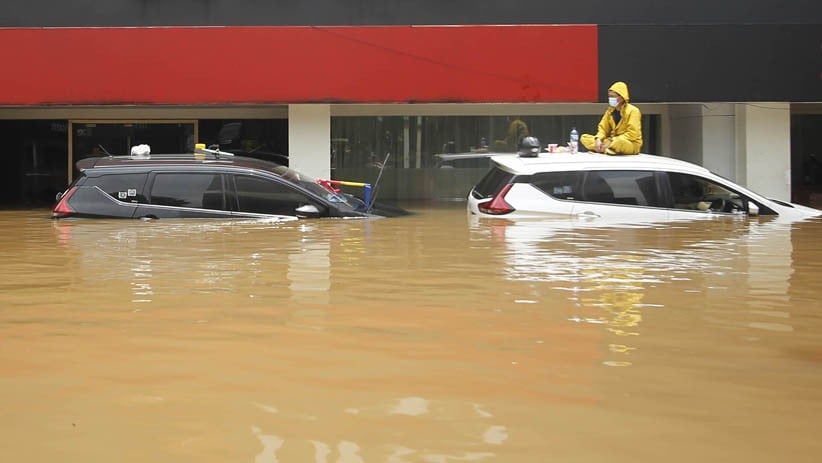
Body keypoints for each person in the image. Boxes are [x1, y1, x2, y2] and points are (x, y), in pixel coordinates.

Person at [581, 81, 643, 155]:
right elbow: (603, 128)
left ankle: (604, 148)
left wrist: (612, 140)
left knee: (618, 143)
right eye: (609, 96)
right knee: (584, 137)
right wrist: (598, 139)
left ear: (622, 97)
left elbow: (633, 134)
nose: (610, 99)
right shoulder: (610, 110)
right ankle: (605, 149)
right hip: (612, 141)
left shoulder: (633, 111)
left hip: (629, 143)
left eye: (613, 96)